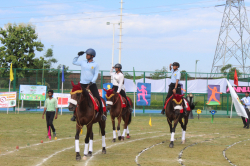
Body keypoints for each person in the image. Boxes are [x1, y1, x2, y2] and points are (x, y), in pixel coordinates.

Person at [71, 48, 106, 121]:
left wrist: (92, 82)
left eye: (88, 54)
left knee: (98, 98)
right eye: (86, 54)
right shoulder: (82, 62)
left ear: (92, 56)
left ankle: (102, 114)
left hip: (91, 84)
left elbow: (96, 74)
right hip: (82, 84)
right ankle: (74, 115)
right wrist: (78, 55)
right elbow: (74, 62)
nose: (86, 55)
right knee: (77, 97)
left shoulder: (95, 64)